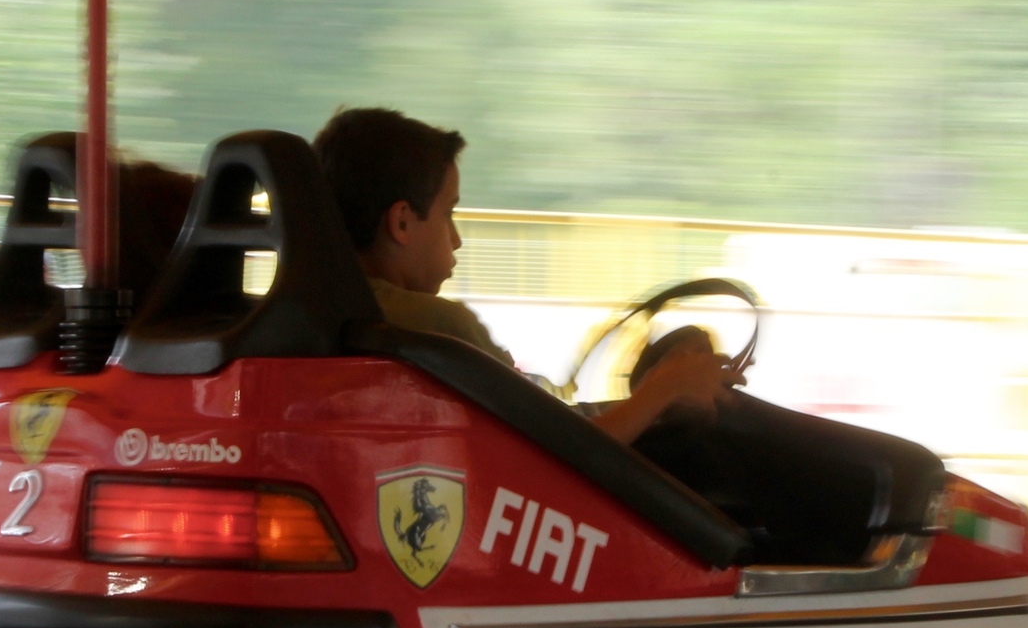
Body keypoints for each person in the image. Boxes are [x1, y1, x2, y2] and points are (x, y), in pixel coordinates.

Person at [311, 107, 743, 446]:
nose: (457, 240)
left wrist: (653, 394)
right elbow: (566, 450)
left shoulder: (319, 311)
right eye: (448, 214)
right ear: (402, 223)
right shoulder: (436, 328)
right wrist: (665, 391)